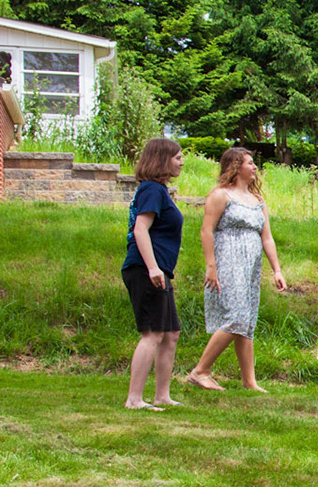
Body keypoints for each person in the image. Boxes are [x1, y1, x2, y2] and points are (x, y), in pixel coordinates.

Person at [184, 147, 287, 392]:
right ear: (235, 167)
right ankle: (200, 371)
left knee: (247, 321)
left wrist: (276, 270)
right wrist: (211, 266)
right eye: (250, 163)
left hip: (250, 266)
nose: (255, 167)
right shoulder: (221, 195)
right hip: (228, 261)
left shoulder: (258, 201)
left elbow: (267, 238)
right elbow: (206, 230)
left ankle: (249, 381)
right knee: (236, 317)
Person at [123, 138, 187, 411]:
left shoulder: (158, 190)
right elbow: (140, 229)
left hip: (157, 270)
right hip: (145, 269)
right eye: (178, 157)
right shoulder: (152, 189)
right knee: (152, 333)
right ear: (162, 159)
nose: (182, 162)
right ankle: (134, 399)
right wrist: (152, 267)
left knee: (170, 333)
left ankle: (162, 395)